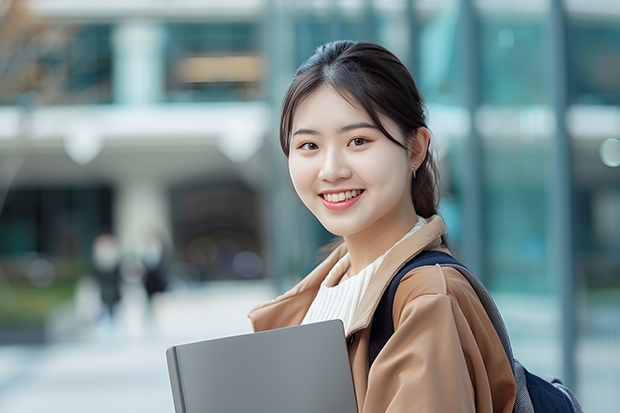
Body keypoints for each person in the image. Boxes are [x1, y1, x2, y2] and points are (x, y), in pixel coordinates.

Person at [248, 40, 516, 412]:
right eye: (309, 146)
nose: (332, 170)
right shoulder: (331, 288)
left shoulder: (427, 299)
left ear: (416, 148)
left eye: (358, 141)